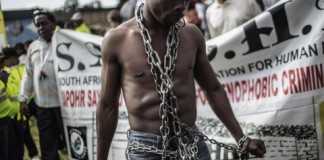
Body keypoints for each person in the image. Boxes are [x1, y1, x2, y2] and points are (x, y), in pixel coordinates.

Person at [97, 0, 266, 160]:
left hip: (191, 142)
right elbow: (107, 105)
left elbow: (213, 89)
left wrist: (241, 138)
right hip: (146, 148)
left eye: (186, 0)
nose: (181, 6)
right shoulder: (118, 40)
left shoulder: (191, 35)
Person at [19, 9, 65, 160]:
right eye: (37, 25)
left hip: (64, 105)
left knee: (72, 141)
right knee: (47, 145)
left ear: (53, 23)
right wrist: (23, 98)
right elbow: (28, 75)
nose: (40, 28)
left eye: (44, 23)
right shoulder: (33, 47)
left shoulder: (65, 41)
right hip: (43, 106)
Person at [0, 48, 24, 160]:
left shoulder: (9, 72)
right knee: (9, 150)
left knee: (16, 147)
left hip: (15, 115)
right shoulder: (4, 74)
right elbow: (12, 93)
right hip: (7, 118)